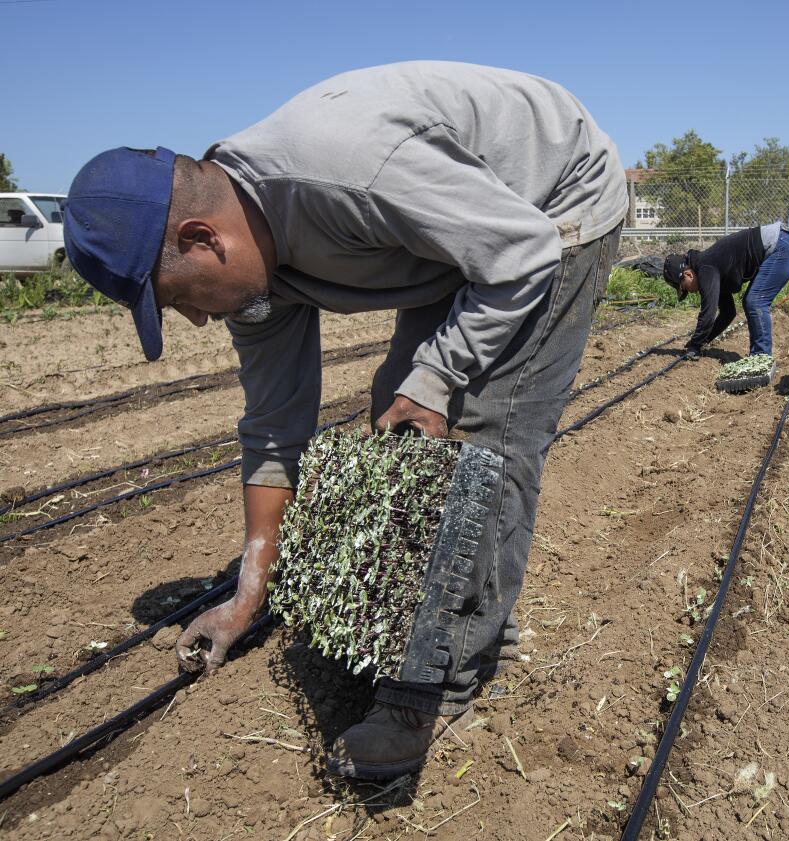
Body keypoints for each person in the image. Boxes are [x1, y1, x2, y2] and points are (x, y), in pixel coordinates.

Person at [61, 61, 627, 780]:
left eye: (179, 298)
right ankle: (471, 616)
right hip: (460, 236)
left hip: (549, 207)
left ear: (205, 240)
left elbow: (521, 251)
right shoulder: (251, 271)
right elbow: (273, 428)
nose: (197, 318)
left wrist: (441, 379)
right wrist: (248, 591)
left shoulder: (345, 172)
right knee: (401, 413)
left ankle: (437, 687)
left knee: (485, 433)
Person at [661, 221, 789, 360]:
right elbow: (728, 313)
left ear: (688, 274)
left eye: (685, 288)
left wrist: (695, 344)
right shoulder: (715, 270)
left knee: (755, 301)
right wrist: (703, 340)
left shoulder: (706, 269)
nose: (690, 292)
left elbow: (708, 312)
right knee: (752, 300)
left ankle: (761, 359)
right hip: (785, 243)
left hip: (782, 245)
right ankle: (760, 357)